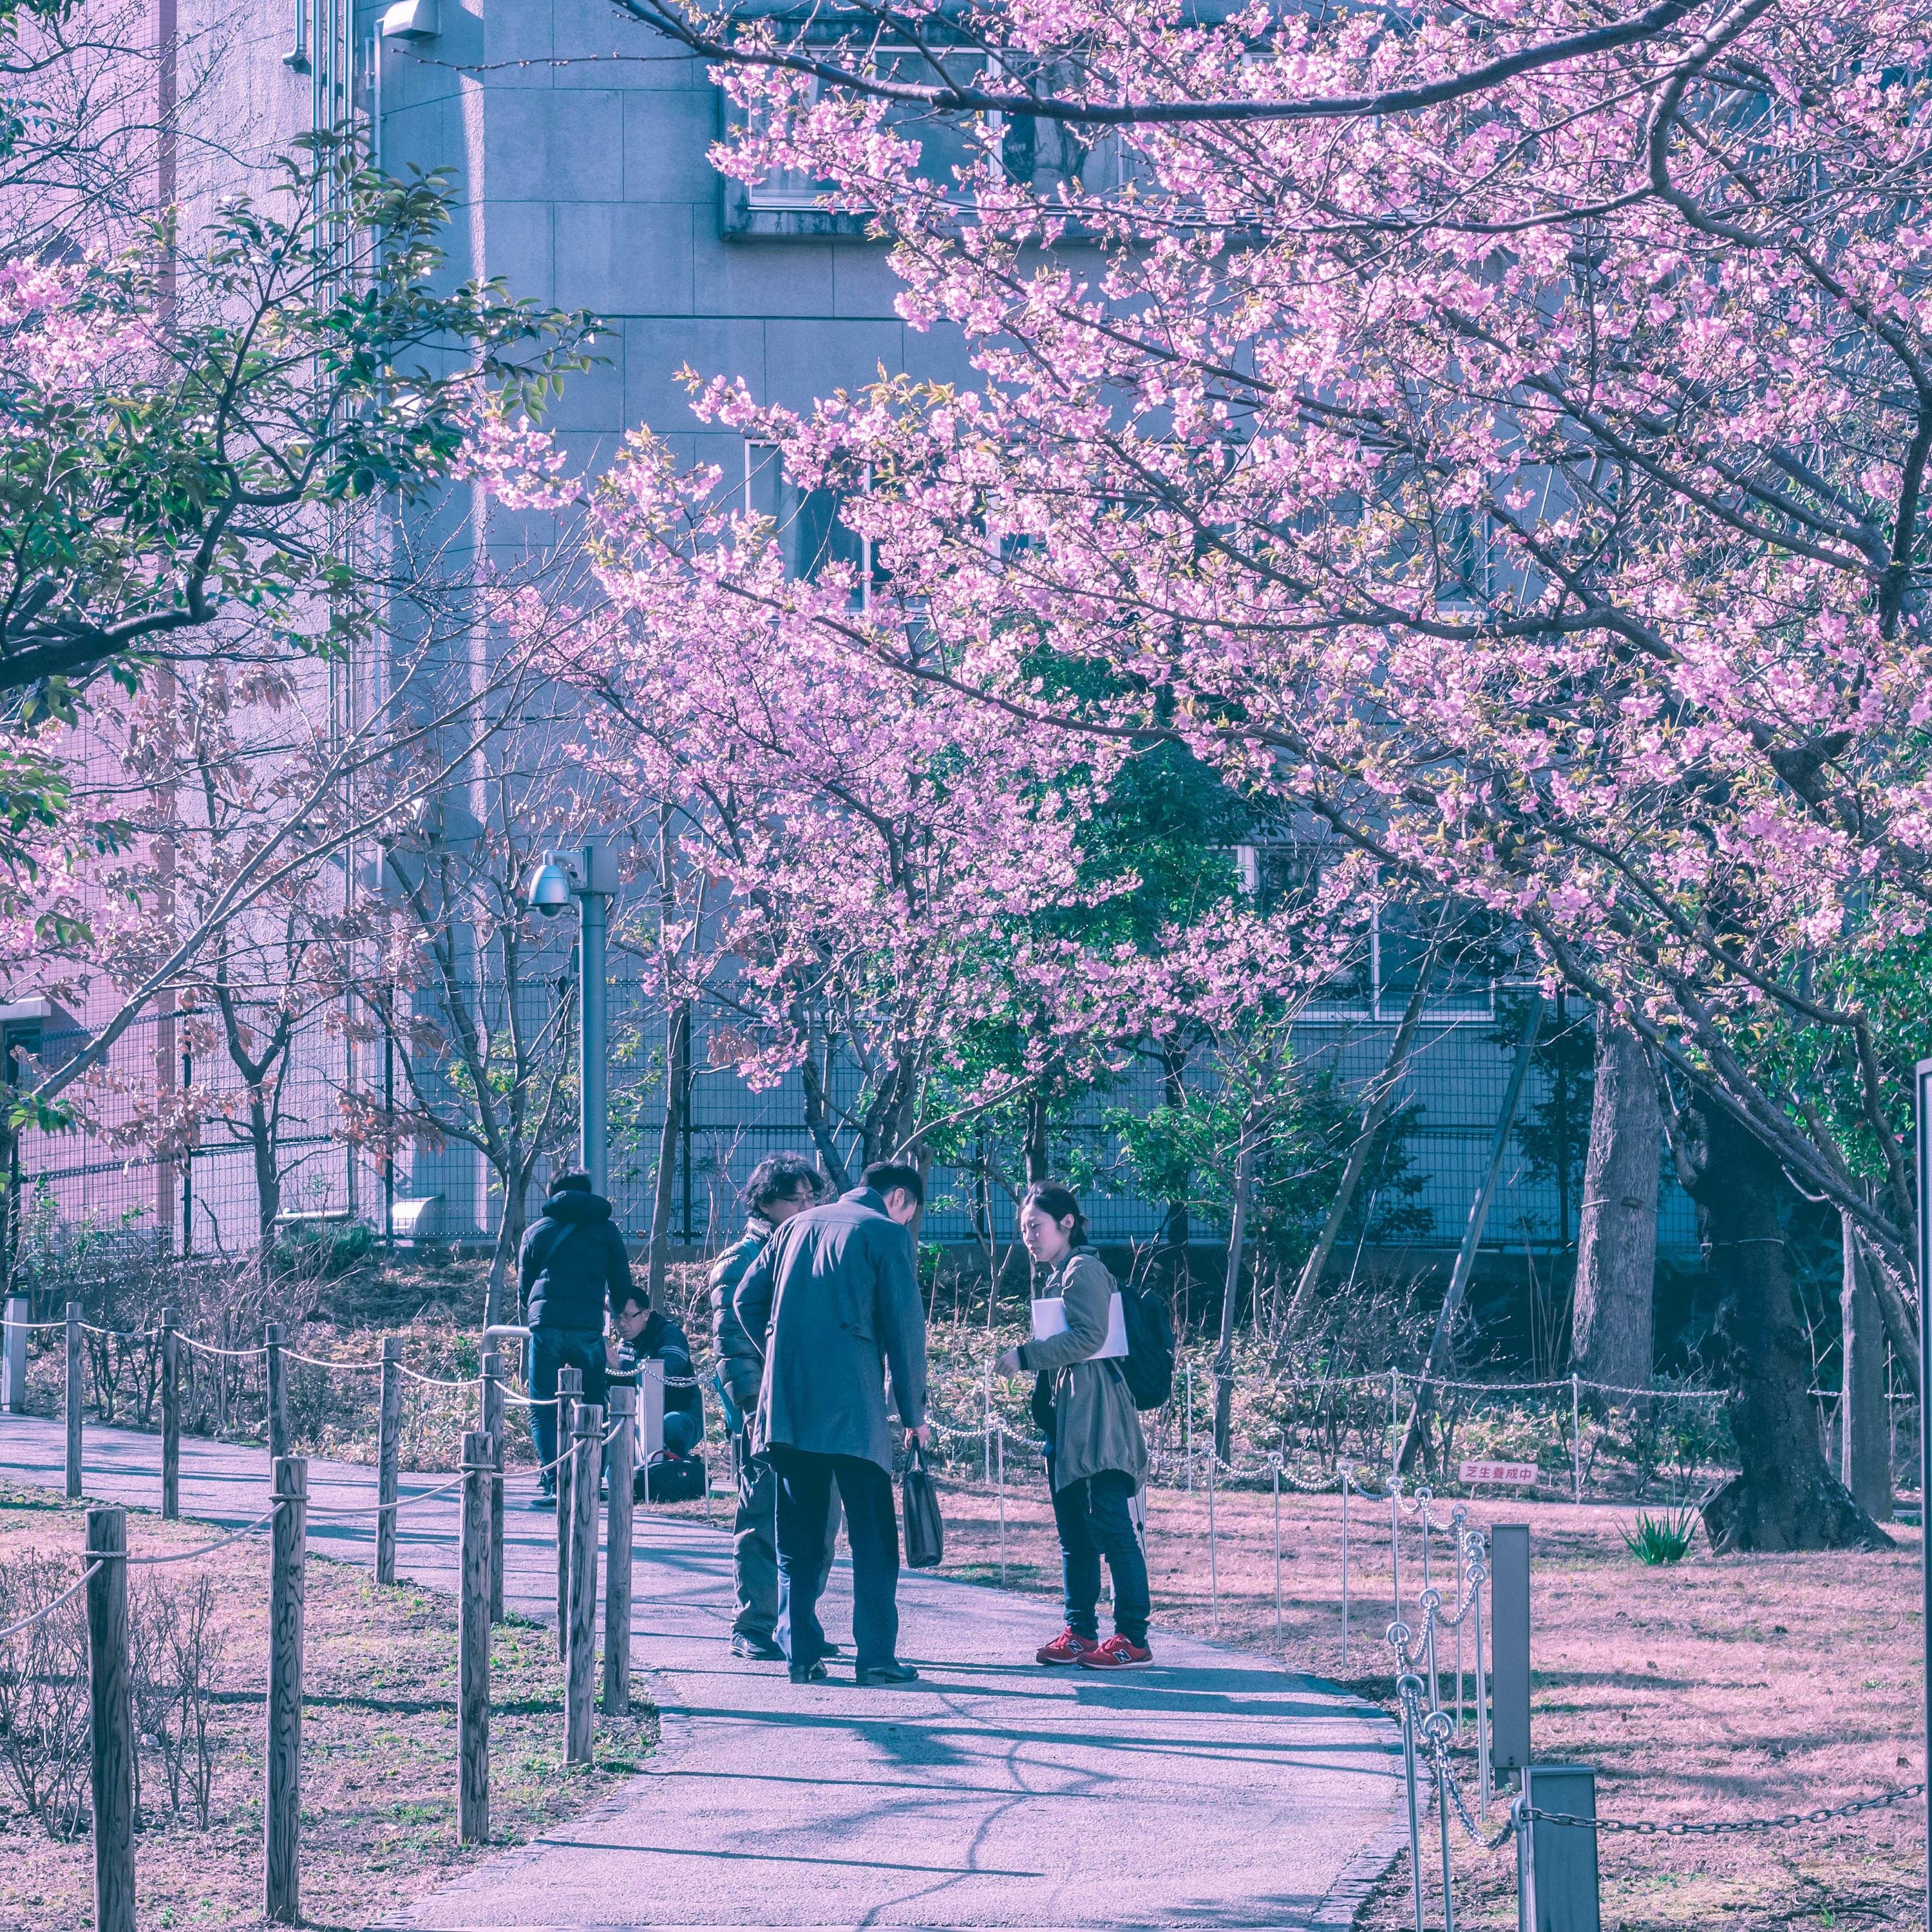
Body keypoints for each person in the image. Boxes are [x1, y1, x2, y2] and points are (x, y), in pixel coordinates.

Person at [736, 1159, 929, 1687]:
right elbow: (905, 1332)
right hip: (854, 1412)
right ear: (899, 1198)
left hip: (791, 1408)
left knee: (797, 1535)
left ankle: (800, 1655)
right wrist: (914, 1414)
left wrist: (781, 1352)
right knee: (873, 1538)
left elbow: (745, 1299)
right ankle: (876, 1658)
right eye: (911, 1210)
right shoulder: (887, 1235)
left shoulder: (793, 1227)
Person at [996, 1182, 1152, 1669]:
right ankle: (1081, 1632)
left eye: (1036, 1226)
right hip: (1070, 1422)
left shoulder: (1083, 1270)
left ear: (1067, 1223)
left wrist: (1025, 1356)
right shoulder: (1060, 1274)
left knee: (1113, 1528)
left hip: (1099, 1420)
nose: (1029, 1237)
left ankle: (1133, 1638)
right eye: (1024, 1229)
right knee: (1074, 1535)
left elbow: (1090, 1337)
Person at [709, 1153, 829, 1660]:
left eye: (811, 1197)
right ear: (763, 1202)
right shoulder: (741, 1259)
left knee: (819, 1523)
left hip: (815, 1410)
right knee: (762, 1519)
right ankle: (754, 1625)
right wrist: (754, 1409)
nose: (806, 1206)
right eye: (794, 1199)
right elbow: (732, 1347)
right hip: (764, 1413)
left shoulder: (812, 1247)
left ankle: (796, 1622)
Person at [520, 1170, 632, 1509]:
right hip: (587, 1326)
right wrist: (614, 1310)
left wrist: (535, 1312)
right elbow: (621, 1283)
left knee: (543, 1406)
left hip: (547, 1325)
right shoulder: (606, 1231)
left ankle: (554, 1483)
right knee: (593, 1404)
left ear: (552, 1193)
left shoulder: (536, 1231)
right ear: (588, 1191)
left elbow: (525, 1287)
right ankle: (590, 1479)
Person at [609, 1283, 705, 1495]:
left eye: (628, 1316)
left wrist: (623, 1368)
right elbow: (623, 1384)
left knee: (671, 1425)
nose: (621, 1324)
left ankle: (676, 1475)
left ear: (645, 1315)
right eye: (617, 1317)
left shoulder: (671, 1335)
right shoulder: (626, 1344)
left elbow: (663, 1372)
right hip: (640, 1417)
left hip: (683, 1414)